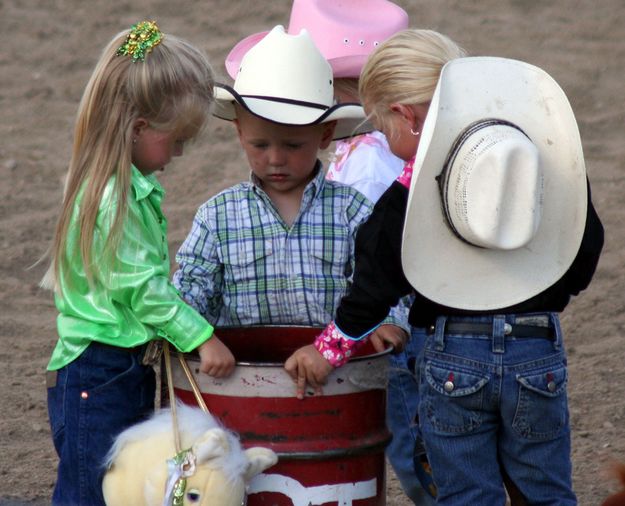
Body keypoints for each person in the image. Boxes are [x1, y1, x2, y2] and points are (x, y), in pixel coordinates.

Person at [285, 28, 604, 505]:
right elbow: (585, 244)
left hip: (456, 351)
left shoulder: (406, 199)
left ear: (405, 116)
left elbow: (374, 283)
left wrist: (329, 349)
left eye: (380, 125)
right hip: (538, 348)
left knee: (467, 492)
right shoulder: (531, 165)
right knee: (546, 492)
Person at [223, 3, 433, 503]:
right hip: (365, 329)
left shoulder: (360, 170)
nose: (277, 158)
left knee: (403, 442)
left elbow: (380, 268)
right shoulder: (384, 154)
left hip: (355, 334)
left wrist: (348, 335)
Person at [42, 21, 235, 506]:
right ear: (138, 127)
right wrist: (200, 336)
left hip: (120, 368)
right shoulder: (113, 200)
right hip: (98, 374)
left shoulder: (123, 189)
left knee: (124, 484)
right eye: (175, 140)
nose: (180, 152)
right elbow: (142, 289)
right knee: (93, 489)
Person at [173, 26, 408, 358]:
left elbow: (382, 278)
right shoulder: (217, 216)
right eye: (260, 144)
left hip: (337, 371)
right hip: (244, 370)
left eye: (293, 145)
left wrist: (387, 320)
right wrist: (187, 325)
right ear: (239, 133)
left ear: (325, 135)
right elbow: (193, 285)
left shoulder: (353, 210)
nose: (275, 158)